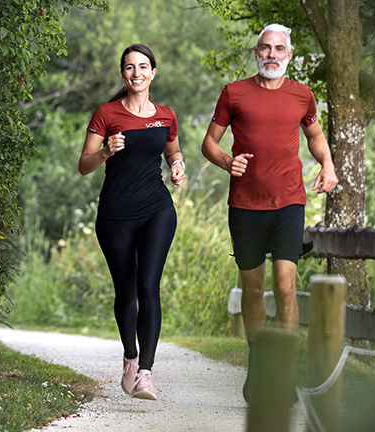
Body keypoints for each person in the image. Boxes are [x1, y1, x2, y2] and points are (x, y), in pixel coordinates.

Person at [201, 24, 339, 402]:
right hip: (244, 205)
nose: (272, 55)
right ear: (257, 53)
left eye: (279, 49)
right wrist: (228, 162)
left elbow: (314, 137)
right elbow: (208, 143)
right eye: (265, 49)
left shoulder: (302, 95)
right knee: (253, 287)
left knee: (284, 284)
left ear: (289, 56)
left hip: (289, 202)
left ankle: (281, 370)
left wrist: (327, 165)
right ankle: (259, 362)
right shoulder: (234, 93)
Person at [78, 44, 185, 400]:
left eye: (143, 67)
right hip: (115, 215)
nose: (136, 73)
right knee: (125, 291)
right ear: (123, 74)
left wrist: (177, 167)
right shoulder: (106, 113)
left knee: (148, 286)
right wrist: (106, 151)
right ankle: (129, 355)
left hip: (157, 209)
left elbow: (173, 150)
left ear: (153, 73)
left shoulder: (166, 115)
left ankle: (146, 374)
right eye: (129, 67)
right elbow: (84, 164)